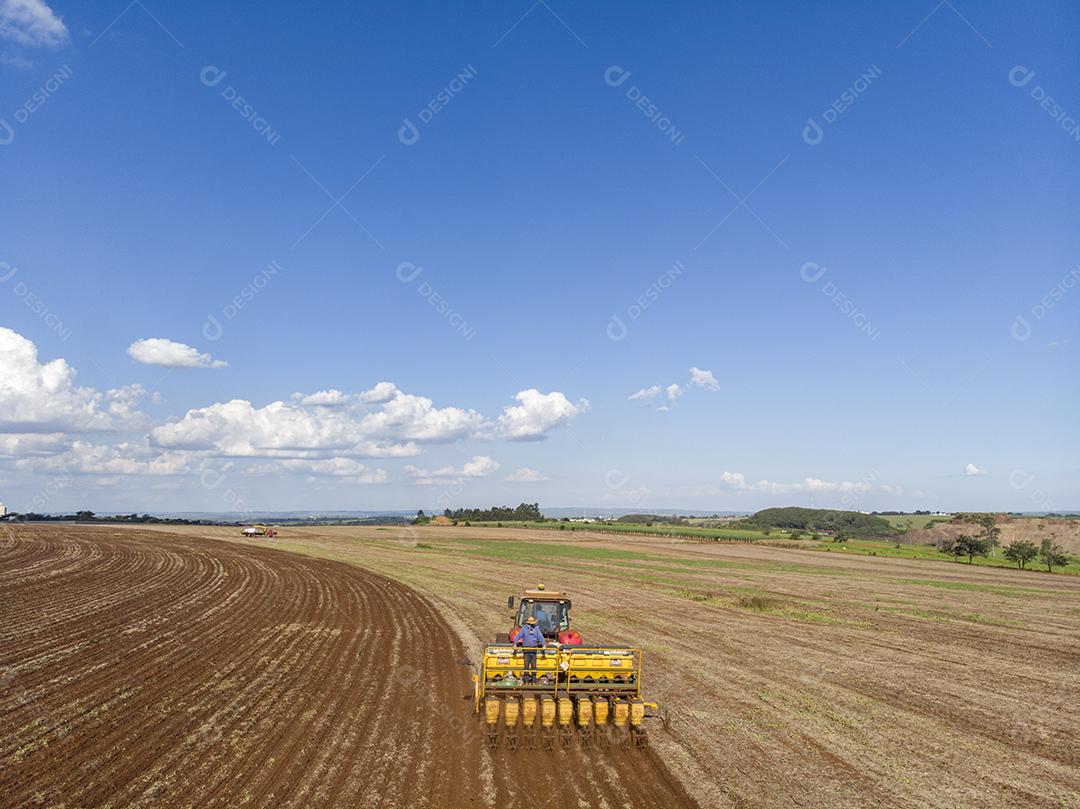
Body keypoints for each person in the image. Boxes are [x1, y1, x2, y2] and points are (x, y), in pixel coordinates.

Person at [515, 616, 545, 683]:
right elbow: (518, 636)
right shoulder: (524, 629)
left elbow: (540, 637)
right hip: (526, 650)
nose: (531, 624)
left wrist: (544, 645)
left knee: (534, 666)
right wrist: (515, 644)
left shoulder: (536, 629)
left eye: (532, 623)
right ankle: (526, 681)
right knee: (526, 666)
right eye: (530, 623)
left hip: (533, 650)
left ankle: (534, 681)